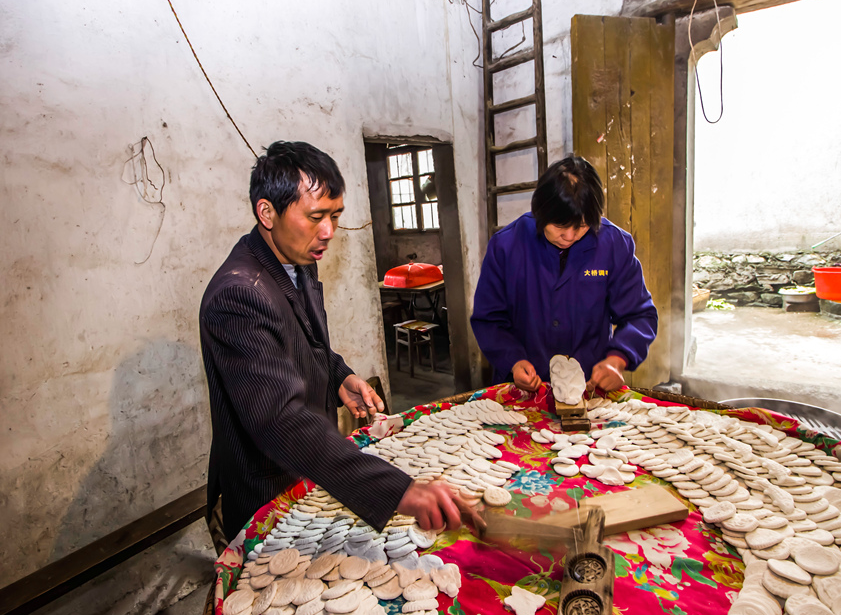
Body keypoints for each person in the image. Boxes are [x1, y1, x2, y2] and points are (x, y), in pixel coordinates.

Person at [199, 141, 468, 552]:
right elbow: (280, 420)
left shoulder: (298, 261)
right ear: (266, 212)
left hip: (308, 474)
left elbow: (306, 343)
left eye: (335, 216)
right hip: (267, 492)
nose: (328, 232)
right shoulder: (238, 296)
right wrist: (399, 491)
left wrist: (338, 376)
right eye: (316, 216)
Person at [471, 154, 658, 394]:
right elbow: (489, 320)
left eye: (581, 226)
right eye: (559, 226)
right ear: (540, 213)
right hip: (525, 385)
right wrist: (513, 361)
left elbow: (639, 315)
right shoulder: (506, 247)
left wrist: (618, 359)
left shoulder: (614, 246)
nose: (569, 236)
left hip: (589, 387)